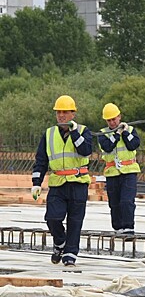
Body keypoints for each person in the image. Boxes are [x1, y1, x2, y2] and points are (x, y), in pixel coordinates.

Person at [31, 95, 92, 267]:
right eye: (59, 112)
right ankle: (60, 243)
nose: (61, 115)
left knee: (75, 221)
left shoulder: (83, 131)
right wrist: (36, 183)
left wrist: (74, 133)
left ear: (73, 113)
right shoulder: (49, 134)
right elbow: (41, 160)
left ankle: (70, 255)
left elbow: (86, 150)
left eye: (65, 112)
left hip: (78, 183)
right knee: (52, 218)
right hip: (58, 183)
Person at [98, 103, 140, 235]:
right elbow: (108, 146)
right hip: (112, 173)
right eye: (109, 120)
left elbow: (133, 144)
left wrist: (125, 132)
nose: (112, 122)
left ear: (119, 117)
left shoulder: (131, 130)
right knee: (114, 204)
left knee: (127, 201)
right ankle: (117, 227)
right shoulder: (103, 134)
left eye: (114, 119)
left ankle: (128, 227)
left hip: (129, 171)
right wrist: (116, 134)